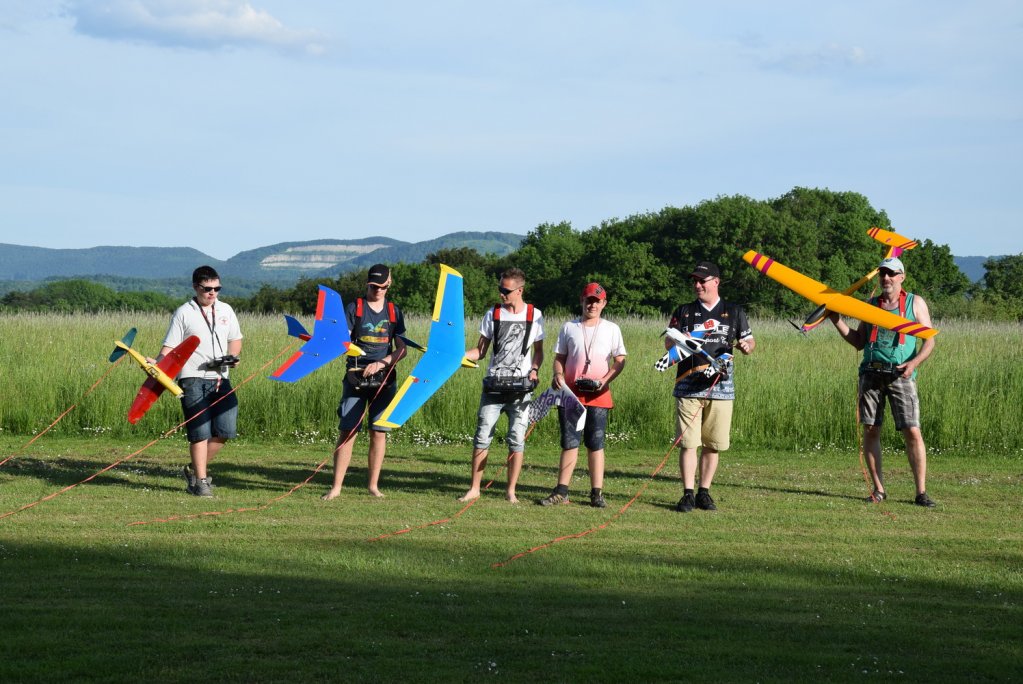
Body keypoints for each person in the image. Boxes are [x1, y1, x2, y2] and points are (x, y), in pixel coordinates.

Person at [829, 256, 937, 507]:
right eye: (882, 274)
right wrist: (837, 320)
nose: (886, 278)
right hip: (870, 373)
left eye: (891, 273)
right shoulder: (870, 305)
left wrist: (913, 364)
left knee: (912, 430)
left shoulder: (915, 303)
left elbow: (929, 340)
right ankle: (878, 490)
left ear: (902, 277)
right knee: (871, 429)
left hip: (901, 374)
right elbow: (859, 341)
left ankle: (921, 492)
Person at [668, 261, 754, 513]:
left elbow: (749, 341)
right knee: (688, 443)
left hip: (721, 386)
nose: (697, 285)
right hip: (688, 385)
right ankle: (687, 493)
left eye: (702, 281)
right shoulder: (684, 311)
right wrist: (680, 341)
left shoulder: (734, 311)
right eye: (694, 281)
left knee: (713, 443)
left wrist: (746, 346)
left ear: (716, 282)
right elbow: (669, 346)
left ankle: (704, 492)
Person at [457, 268, 544, 503]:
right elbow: (480, 351)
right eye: (500, 289)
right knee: (482, 437)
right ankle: (474, 489)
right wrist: (458, 357)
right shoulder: (492, 314)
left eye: (506, 291)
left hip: (521, 389)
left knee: (517, 439)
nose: (501, 294)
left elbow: (539, 352)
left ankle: (511, 491)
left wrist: (534, 370)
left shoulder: (535, 315)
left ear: (520, 291)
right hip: (493, 388)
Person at [155, 265, 243, 498]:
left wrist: (232, 357)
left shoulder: (226, 309)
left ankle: (193, 469)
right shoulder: (184, 312)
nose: (213, 293)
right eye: (207, 289)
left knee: (225, 430)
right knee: (200, 432)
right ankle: (201, 482)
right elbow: (170, 347)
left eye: (217, 288)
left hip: (221, 377)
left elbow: (235, 339)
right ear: (196, 287)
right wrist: (158, 363)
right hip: (192, 378)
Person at [538, 282, 627, 508]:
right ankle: (561, 491)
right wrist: (558, 374)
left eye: (597, 301)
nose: (592, 305)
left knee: (595, 443)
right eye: (589, 300)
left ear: (604, 303)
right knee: (570, 442)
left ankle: (597, 493)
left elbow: (620, 360)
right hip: (571, 395)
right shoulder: (569, 327)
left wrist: (604, 381)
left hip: (599, 395)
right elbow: (560, 357)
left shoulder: (612, 329)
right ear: (581, 300)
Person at [323, 264, 407, 500]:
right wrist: (343, 346)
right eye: (373, 286)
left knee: (378, 432)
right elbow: (343, 341)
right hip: (356, 378)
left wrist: (382, 363)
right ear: (367, 284)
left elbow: (402, 349)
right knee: (348, 431)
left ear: (389, 284)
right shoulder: (355, 308)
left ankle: (373, 486)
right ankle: (336, 487)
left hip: (384, 378)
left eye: (381, 286)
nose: (377, 290)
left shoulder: (394, 312)